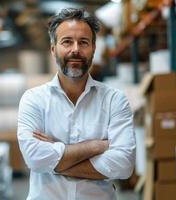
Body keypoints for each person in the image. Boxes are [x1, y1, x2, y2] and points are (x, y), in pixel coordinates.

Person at [17, 8, 136, 199]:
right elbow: (35, 158)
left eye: (83, 42)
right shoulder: (33, 100)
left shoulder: (115, 100)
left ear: (94, 49)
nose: (75, 49)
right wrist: (95, 147)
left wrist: (55, 159)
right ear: (53, 49)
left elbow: (123, 165)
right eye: (67, 42)